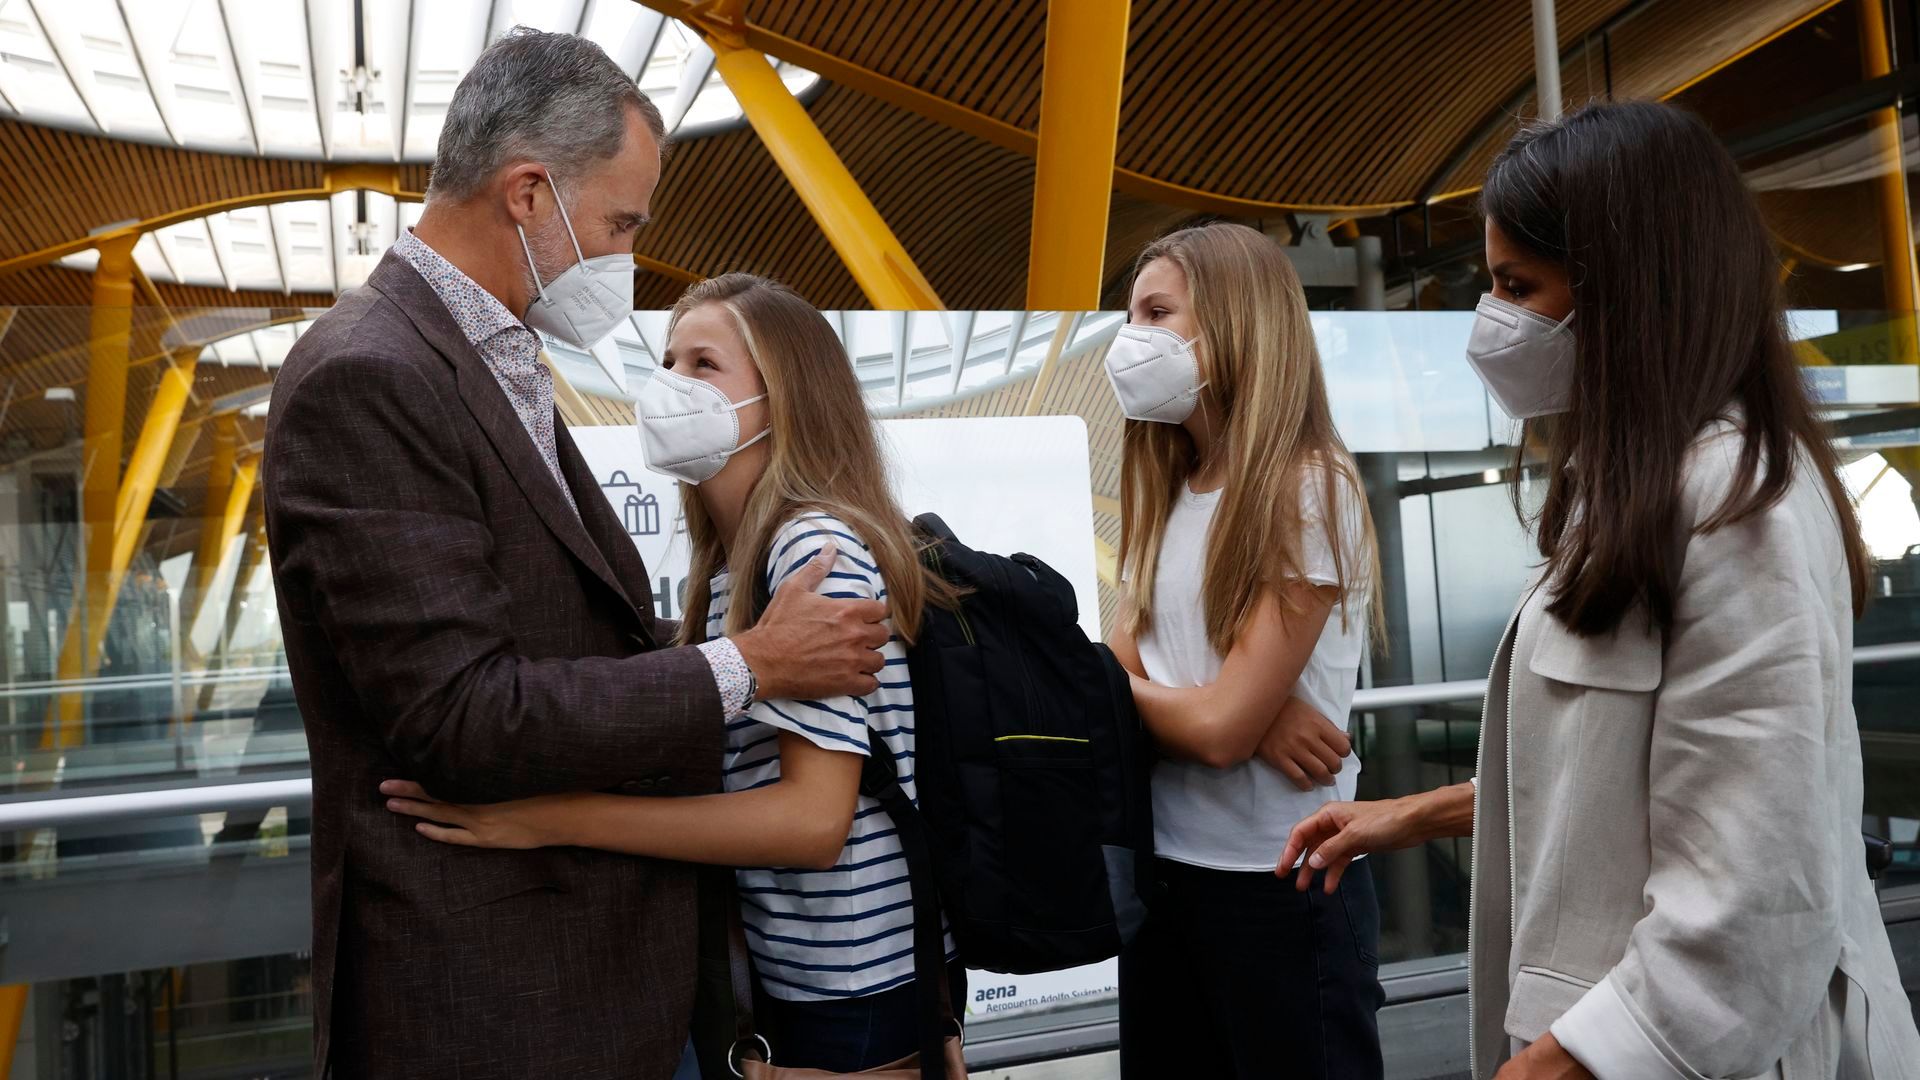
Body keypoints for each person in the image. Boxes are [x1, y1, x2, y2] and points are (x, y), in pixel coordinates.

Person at [263, 34, 889, 1080]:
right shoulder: (370, 374)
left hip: (589, 982)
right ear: (526, 195)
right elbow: (461, 713)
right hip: (499, 1000)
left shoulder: (488, 356)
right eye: (621, 221)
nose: (625, 252)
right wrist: (753, 665)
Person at [1279, 100, 1920, 1080]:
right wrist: (1408, 816)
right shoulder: (1640, 491)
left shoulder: (1735, 509)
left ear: (1629, 289)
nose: (1489, 324)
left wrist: (1562, 1064)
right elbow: (1612, 779)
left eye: (1515, 285)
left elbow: (1756, 899)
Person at [381, 273, 964, 1073]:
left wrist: (552, 817)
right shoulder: (732, 565)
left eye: (704, 364)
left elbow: (812, 823)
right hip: (798, 977)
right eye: (668, 361)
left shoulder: (810, 549)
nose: (670, 386)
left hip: (851, 989)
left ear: (783, 399)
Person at [1104, 221, 1387, 1079]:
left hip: (1286, 885)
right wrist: (1243, 708)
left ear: (1234, 321)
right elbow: (1114, 663)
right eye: (1130, 314)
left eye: (1157, 312)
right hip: (1167, 878)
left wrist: (1235, 711)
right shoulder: (1171, 483)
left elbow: (1213, 724)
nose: (1132, 339)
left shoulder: (1310, 485)